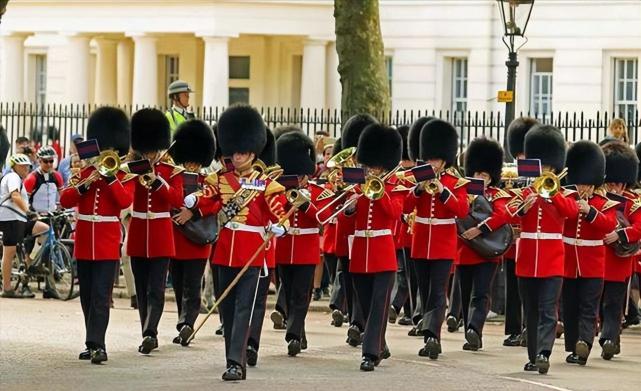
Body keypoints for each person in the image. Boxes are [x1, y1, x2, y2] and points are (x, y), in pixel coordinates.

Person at [186, 104, 288, 381]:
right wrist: (195, 200)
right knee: (228, 311)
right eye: (235, 151)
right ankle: (233, 357)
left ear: (253, 152)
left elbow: (279, 210)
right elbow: (209, 199)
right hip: (224, 252)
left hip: (251, 254)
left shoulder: (267, 184)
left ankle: (236, 363)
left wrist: (281, 226)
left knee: (244, 309)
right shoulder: (220, 179)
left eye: (243, 152)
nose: (237, 156)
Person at [59, 106, 134, 364]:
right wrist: (86, 182)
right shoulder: (84, 172)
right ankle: (91, 342)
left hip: (106, 239)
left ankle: (98, 344)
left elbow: (124, 201)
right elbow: (66, 199)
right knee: (88, 295)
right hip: (84, 239)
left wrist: (111, 178)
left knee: (102, 295)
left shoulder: (123, 174)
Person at [507, 124, 579, 375]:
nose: (544, 172)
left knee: (548, 310)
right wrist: (524, 208)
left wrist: (552, 193)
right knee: (532, 310)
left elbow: (571, 213)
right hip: (527, 258)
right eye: (542, 168)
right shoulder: (525, 192)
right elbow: (510, 217)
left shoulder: (564, 193)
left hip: (551, 260)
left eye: (548, 168)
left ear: (555, 168)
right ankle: (533, 355)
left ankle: (544, 353)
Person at [405, 119, 469, 360]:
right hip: (421, 241)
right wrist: (419, 189)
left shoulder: (455, 182)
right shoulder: (416, 179)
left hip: (443, 243)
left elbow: (461, 210)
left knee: (438, 291)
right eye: (429, 158)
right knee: (424, 289)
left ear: (444, 160)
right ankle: (428, 335)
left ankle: (433, 336)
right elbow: (406, 205)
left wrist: (442, 190)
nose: (432, 163)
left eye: (435, 159)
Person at [126, 108, 184, 355]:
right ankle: (145, 331)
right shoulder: (131, 168)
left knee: (156, 288)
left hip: (161, 232)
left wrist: (158, 181)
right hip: (139, 231)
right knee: (141, 288)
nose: (149, 155)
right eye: (146, 150)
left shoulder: (171, 172)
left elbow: (177, 200)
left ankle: (151, 332)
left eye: (152, 150)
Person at [347, 123, 403, 371]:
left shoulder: (394, 187)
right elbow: (345, 217)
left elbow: (393, 213)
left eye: (376, 166)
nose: (371, 170)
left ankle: (370, 353)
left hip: (382, 251)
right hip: (360, 251)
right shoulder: (358, 187)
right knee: (367, 305)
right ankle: (379, 343)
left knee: (380, 305)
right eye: (369, 165)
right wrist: (349, 206)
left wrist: (379, 194)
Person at [273, 131, 332, 357]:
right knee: (287, 294)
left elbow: (322, 218)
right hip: (285, 247)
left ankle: (294, 336)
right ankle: (300, 331)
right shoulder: (279, 191)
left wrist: (305, 204)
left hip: (306, 248)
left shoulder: (318, 191)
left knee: (301, 294)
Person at [561, 141, 617, 366]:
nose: (583, 188)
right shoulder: (568, 199)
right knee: (570, 306)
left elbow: (608, 224)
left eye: (587, 184)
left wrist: (590, 211)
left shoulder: (604, 203)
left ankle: (584, 342)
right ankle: (573, 345)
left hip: (593, 264)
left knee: (588, 306)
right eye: (580, 183)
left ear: (594, 183)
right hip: (568, 263)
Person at [457, 137, 511, 351]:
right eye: (477, 174)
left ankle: (474, 330)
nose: (480, 178)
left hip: (487, 252)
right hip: (465, 251)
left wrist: (480, 229)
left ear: (491, 177)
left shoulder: (497, 195)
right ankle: (468, 330)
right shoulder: (464, 193)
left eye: (484, 175)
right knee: (465, 294)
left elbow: (502, 215)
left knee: (481, 294)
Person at [168, 119, 218, 347]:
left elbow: (215, 203)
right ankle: (183, 321)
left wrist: (193, 212)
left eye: (194, 162)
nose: (191, 165)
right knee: (179, 284)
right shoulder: (174, 177)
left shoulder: (207, 181)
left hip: (197, 240)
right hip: (176, 239)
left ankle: (187, 323)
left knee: (192, 284)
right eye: (188, 161)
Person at [600, 141, 640, 360]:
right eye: (611, 183)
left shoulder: (633, 202)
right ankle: (608, 335)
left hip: (619, 261)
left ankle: (609, 338)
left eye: (619, 183)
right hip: (598, 258)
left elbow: (639, 227)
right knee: (597, 301)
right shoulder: (598, 199)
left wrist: (620, 235)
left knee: (614, 302)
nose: (615, 188)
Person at [502, 116, 539, 347]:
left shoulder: (540, 177)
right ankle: (514, 328)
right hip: (513, 238)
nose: (520, 158)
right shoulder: (510, 177)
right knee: (512, 287)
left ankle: (529, 327)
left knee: (530, 288)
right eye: (518, 155)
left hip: (531, 240)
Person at [0, 154, 48, 298]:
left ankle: (29, 262)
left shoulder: (17, 178)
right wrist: (28, 211)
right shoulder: (13, 177)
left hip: (18, 219)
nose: (26, 168)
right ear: (15, 166)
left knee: (44, 229)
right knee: (9, 252)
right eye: (23, 166)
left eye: (28, 166)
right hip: (10, 219)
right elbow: (15, 196)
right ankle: (7, 288)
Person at [23, 146, 63, 214]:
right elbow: (24, 200)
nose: (49, 164)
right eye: (45, 161)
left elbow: (63, 197)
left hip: (53, 215)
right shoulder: (31, 178)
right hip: (36, 216)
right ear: (39, 161)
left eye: (51, 161)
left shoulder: (57, 176)